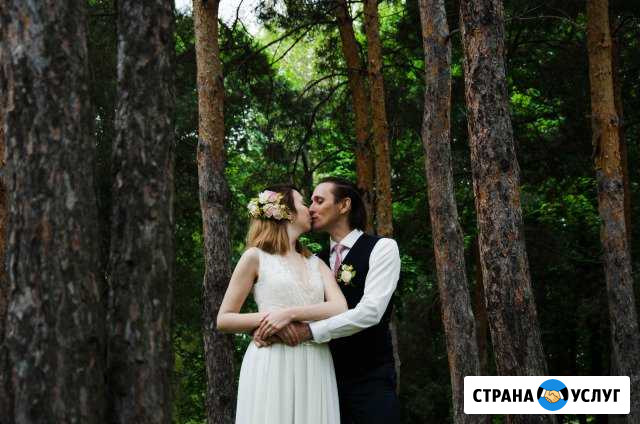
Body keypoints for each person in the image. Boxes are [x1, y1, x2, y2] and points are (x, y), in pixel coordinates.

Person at [257, 177, 402, 424]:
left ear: (344, 205)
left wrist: (309, 332)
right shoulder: (314, 261)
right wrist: (267, 328)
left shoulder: (382, 248)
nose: (311, 208)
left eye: (319, 200)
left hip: (371, 379)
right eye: (309, 202)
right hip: (320, 378)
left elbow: (371, 312)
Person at [216, 184, 347, 424]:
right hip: (272, 360)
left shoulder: (316, 263)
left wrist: (288, 314)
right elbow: (224, 319)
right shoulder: (255, 257)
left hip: (315, 362)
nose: (309, 209)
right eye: (303, 203)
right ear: (286, 212)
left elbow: (340, 307)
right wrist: (270, 321)